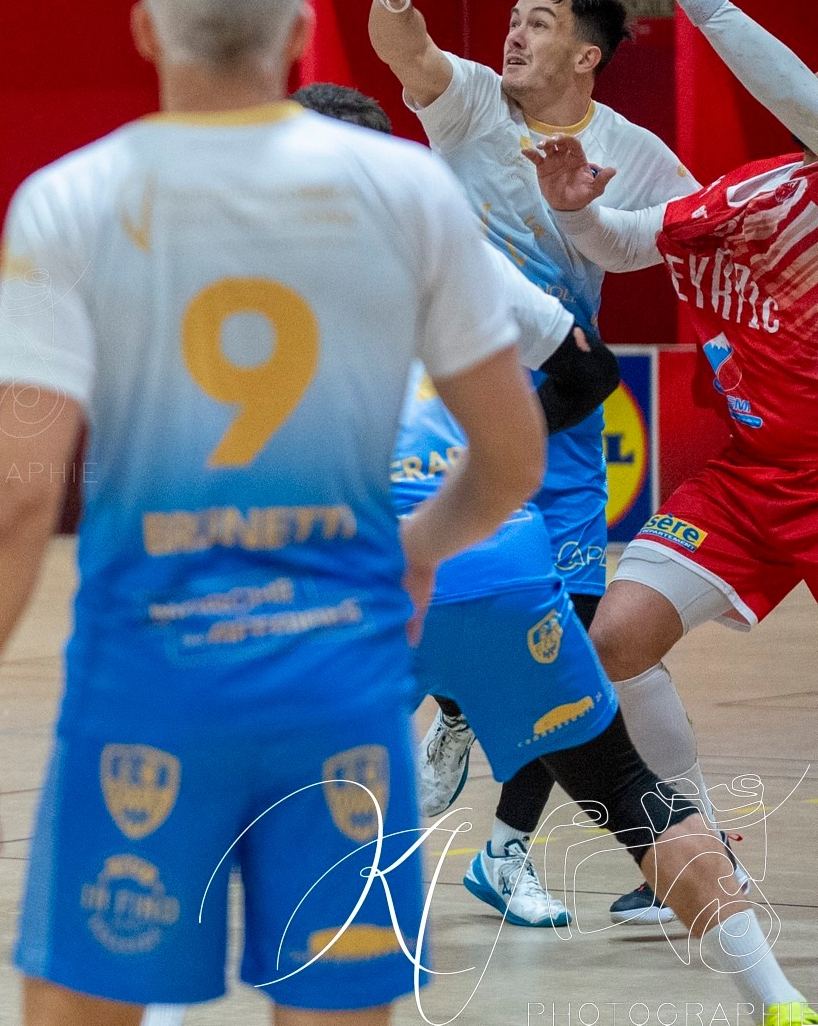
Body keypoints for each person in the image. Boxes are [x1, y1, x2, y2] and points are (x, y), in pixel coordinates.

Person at [0, 0, 546, 1023]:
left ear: (143, 26)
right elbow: (512, 457)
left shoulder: (69, 201)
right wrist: (417, 549)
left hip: (141, 697)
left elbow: (13, 502)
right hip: (342, 690)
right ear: (301, 33)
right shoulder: (404, 188)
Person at [281, 87, 812, 1026]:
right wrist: (483, 440)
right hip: (499, 569)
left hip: (359, 577)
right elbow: (588, 369)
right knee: (627, 788)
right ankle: (775, 999)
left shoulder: (235, 273)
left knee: (254, 793)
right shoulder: (455, 262)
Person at [366, 0, 703, 925]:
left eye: (538, 22)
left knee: (568, 626)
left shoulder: (632, 151)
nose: (512, 32)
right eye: (511, 16)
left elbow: (692, 235)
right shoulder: (469, 101)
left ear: (586, 55)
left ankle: (499, 824)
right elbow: (408, 48)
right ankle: (462, 726)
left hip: (554, 404)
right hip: (438, 400)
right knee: (464, 603)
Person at [523, 0, 818, 953]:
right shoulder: (750, 198)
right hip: (748, 479)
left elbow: (789, 84)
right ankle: (697, 848)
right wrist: (576, 209)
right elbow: (621, 241)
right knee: (612, 641)